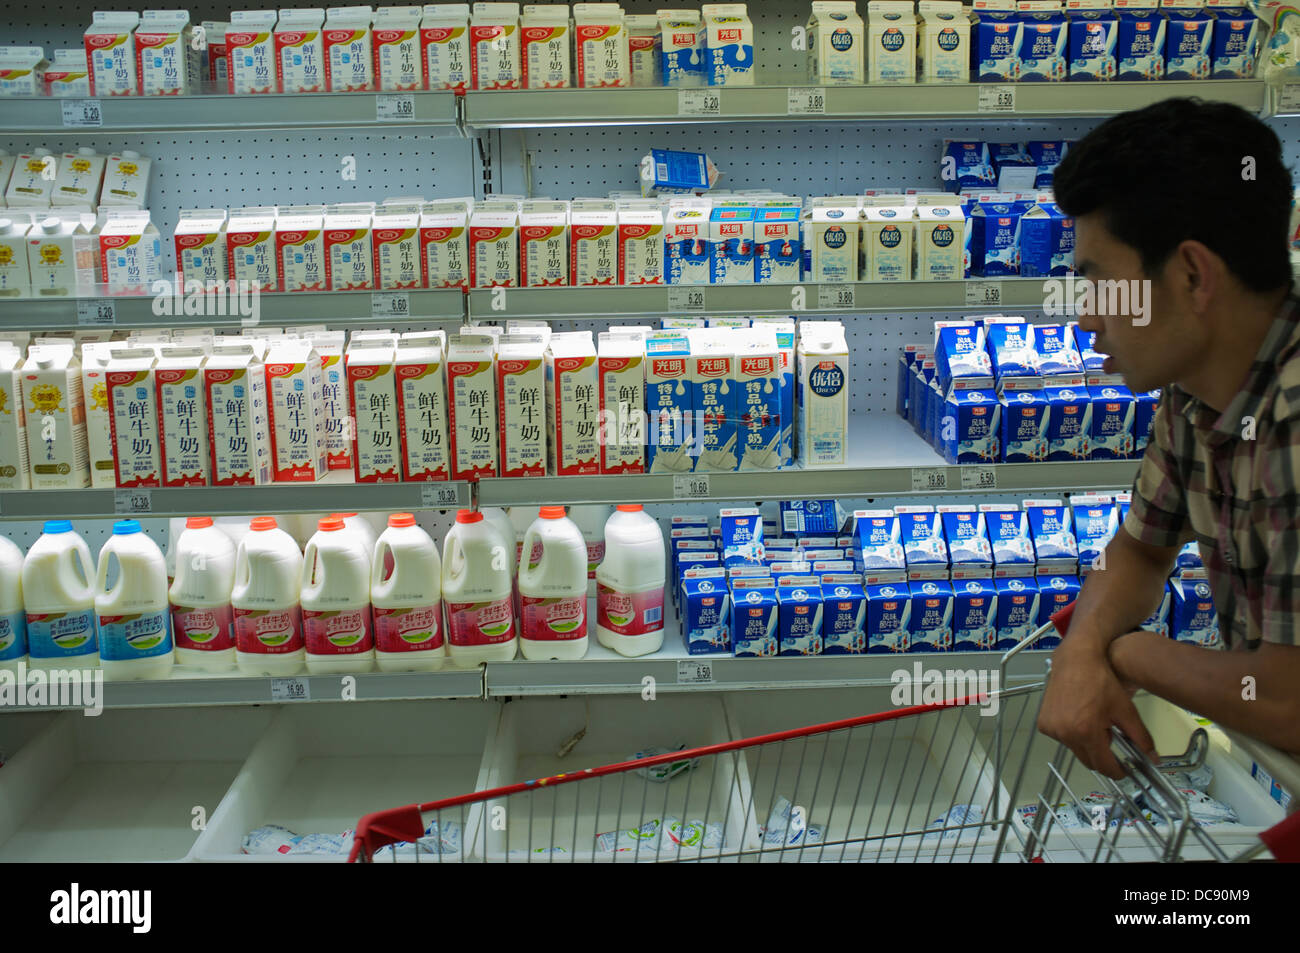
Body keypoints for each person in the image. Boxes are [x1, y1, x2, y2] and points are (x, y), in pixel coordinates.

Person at [1038, 97, 1300, 778]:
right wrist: (1080, 648)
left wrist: (1123, 654)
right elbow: (1138, 549)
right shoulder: (1195, 388)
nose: (1087, 318)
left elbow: (1287, 699)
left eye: (1099, 285)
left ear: (1191, 276)